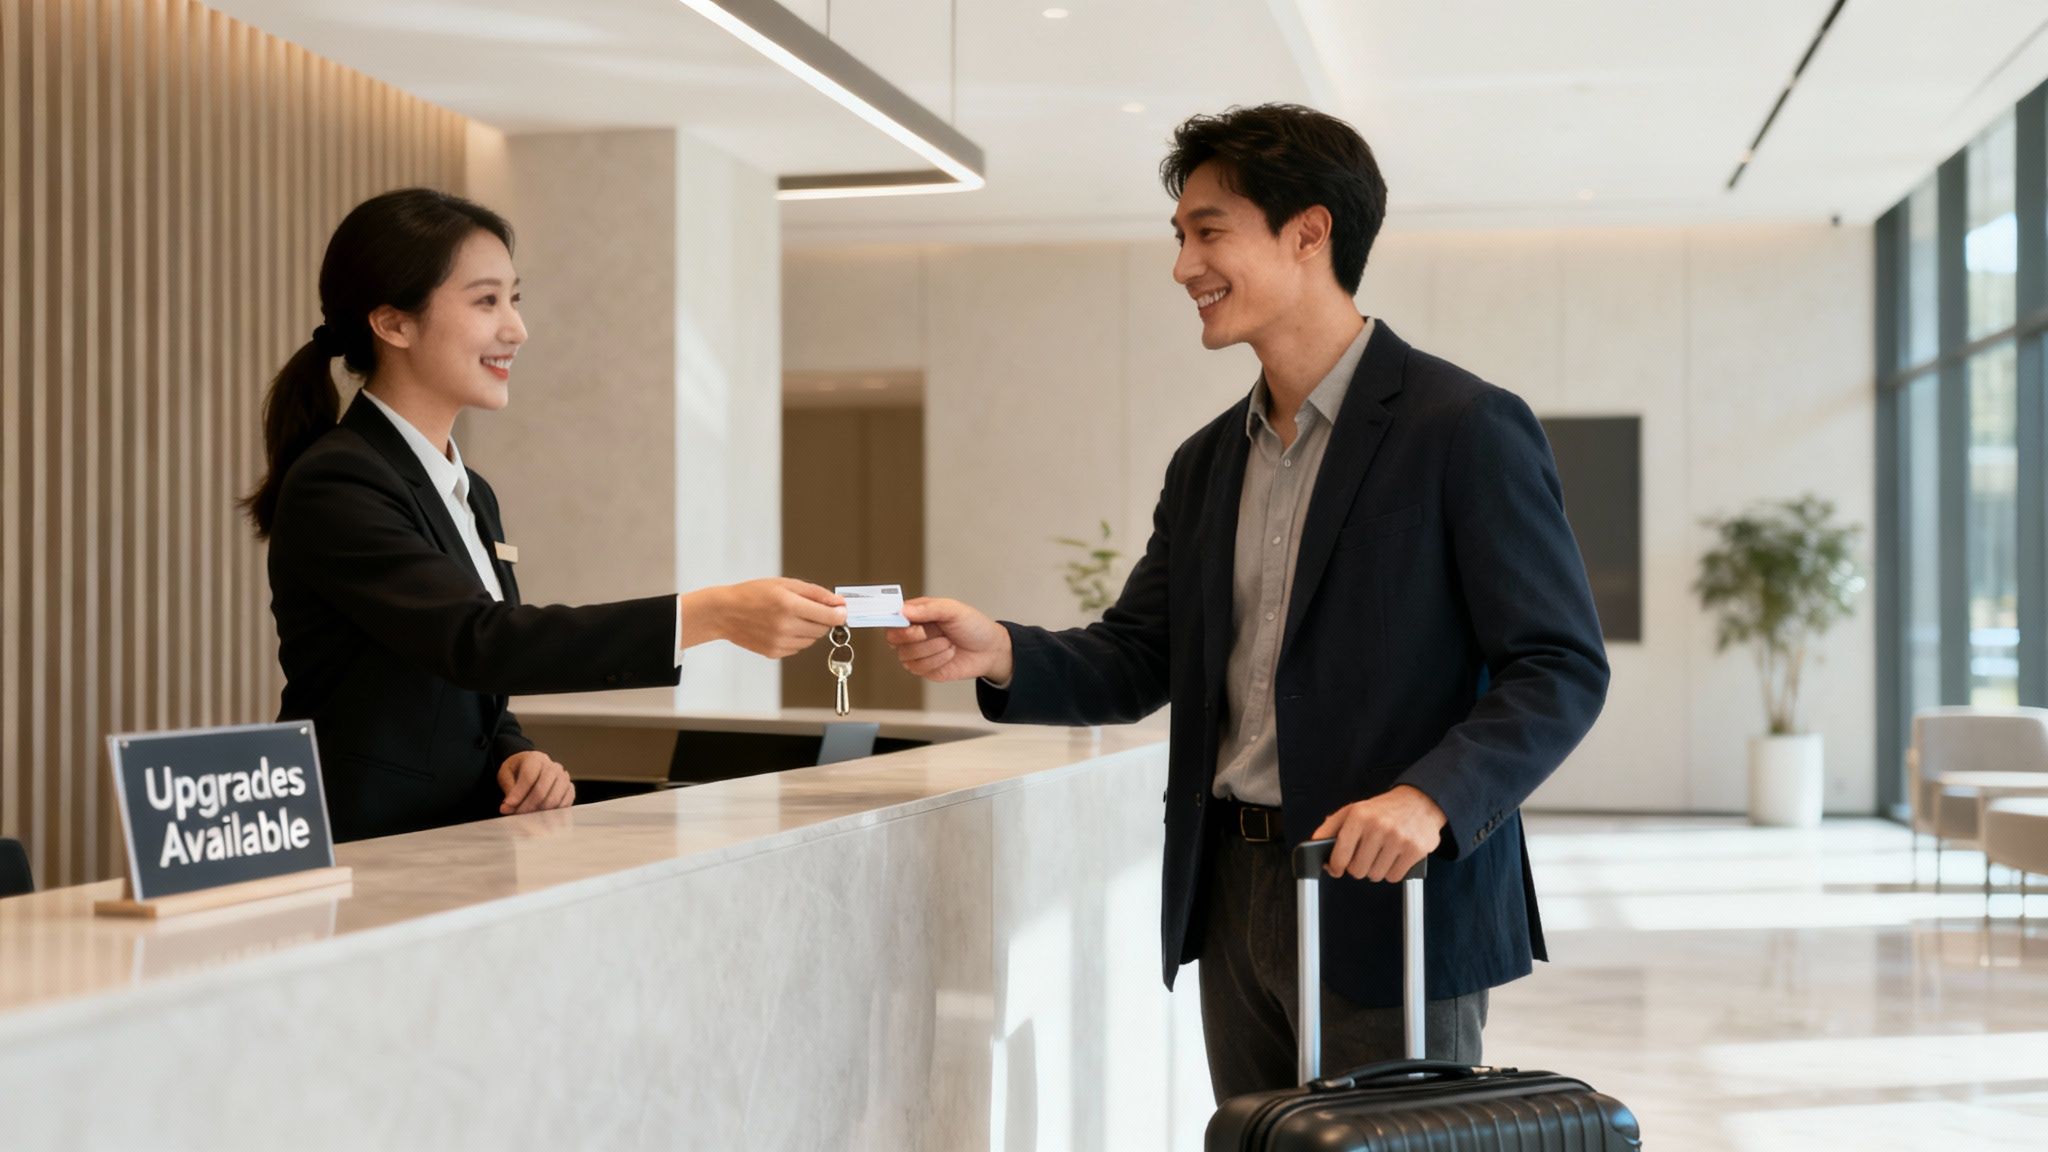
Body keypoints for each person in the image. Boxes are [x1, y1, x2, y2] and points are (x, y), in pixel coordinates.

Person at [884, 105, 1609, 1100]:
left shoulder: (1462, 427)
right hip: (1230, 898)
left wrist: (1430, 798)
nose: (1182, 266)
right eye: (1179, 236)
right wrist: (997, 650)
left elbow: (1558, 665)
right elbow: (1140, 654)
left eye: (1207, 230)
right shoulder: (1203, 465)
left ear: (1307, 232)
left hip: (1388, 895)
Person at [244, 188, 844, 843]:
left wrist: (509, 750)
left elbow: (454, 677)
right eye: (485, 301)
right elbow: (480, 641)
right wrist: (712, 614)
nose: (516, 329)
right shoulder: (341, 478)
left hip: (454, 844)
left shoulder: (469, 490)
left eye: (514, 298)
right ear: (393, 324)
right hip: (361, 846)